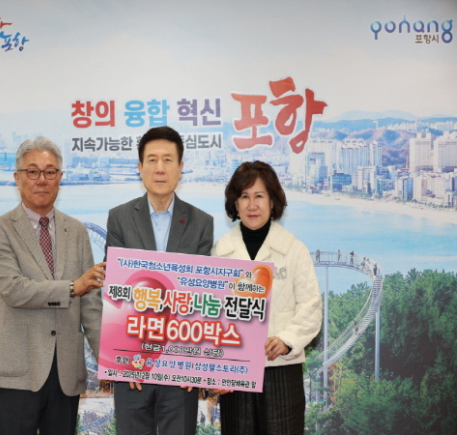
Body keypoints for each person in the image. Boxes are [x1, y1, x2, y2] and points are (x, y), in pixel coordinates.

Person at [0, 136, 105, 435]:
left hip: (66, 374)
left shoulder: (76, 231)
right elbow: (15, 290)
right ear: (17, 178)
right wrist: (71, 288)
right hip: (18, 373)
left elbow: (90, 306)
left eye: (50, 172)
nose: (42, 180)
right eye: (33, 171)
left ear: (60, 178)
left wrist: (110, 360)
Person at [105, 126, 214, 435]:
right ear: (140, 168)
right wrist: (125, 359)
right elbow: (116, 292)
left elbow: (199, 296)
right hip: (132, 368)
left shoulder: (201, 222)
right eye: (152, 160)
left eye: (168, 160)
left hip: (180, 369)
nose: (160, 168)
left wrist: (191, 361)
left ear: (181, 167)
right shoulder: (120, 218)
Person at [211, 161, 322, 435]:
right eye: (244, 196)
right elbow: (210, 315)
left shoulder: (294, 250)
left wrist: (287, 340)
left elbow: (311, 308)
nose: (252, 205)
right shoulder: (220, 251)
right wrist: (215, 368)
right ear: (235, 204)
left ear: (272, 202)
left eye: (259, 196)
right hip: (235, 373)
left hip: (281, 369)